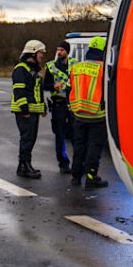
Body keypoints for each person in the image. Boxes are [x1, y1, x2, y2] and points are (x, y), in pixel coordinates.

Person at [69, 36, 109, 189]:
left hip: (79, 113)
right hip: (96, 115)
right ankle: (91, 178)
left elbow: (69, 89)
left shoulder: (76, 67)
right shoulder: (103, 69)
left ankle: (75, 177)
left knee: (79, 146)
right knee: (94, 147)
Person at [11, 40, 47, 179]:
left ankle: (26, 165)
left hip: (33, 111)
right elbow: (19, 91)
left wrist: (42, 107)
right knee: (27, 139)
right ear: (32, 53)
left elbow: (37, 92)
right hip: (25, 112)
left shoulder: (32, 70)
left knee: (30, 139)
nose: (42, 56)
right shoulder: (21, 69)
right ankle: (23, 167)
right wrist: (24, 110)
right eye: (40, 53)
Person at [43, 40, 77, 174]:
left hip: (73, 104)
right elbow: (45, 86)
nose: (59, 52)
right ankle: (63, 163)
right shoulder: (51, 66)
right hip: (59, 104)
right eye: (58, 49)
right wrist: (53, 86)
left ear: (67, 51)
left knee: (76, 136)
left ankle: (79, 163)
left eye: (61, 50)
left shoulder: (75, 64)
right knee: (60, 136)